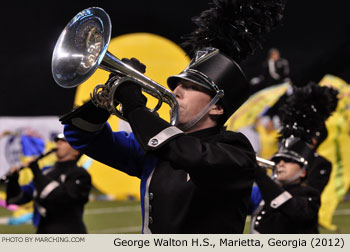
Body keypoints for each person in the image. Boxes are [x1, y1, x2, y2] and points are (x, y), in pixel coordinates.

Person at [60, 0, 286, 234]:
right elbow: (81, 136)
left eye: (189, 87)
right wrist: (111, 92)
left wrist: (135, 106)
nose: (175, 91)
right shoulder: (155, 152)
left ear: (216, 107)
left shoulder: (236, 151)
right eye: (177, 84)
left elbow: (187, 153)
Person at [6, 133, 91, 234]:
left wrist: (36, 172)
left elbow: (61, 198)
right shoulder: (46, 172)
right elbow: (17, 199)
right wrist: (13, 181)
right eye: (57, 142)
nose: (58, 143)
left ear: (76, 151)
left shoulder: (80, 174)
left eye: (64, 141)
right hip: (43, 232)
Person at [251, 136, 320, 233]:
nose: (280, 164)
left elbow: (293, 209)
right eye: (277, 161)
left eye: (288, 160)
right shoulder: (261, 192)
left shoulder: (311, 195)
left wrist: (260, 176)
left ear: (303, 172)